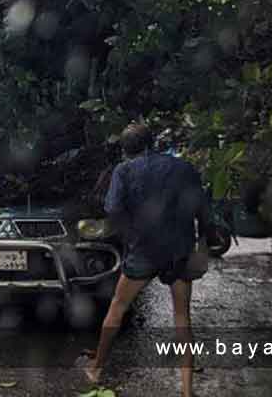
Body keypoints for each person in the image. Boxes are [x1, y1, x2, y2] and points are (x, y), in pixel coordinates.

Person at [83, 123, 209, 397]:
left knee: (117, 306)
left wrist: (131, 235)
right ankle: (187, 391)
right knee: (182, 318)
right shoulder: (183, 168)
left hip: (143, 251)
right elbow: (201, 208)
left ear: (127, 150)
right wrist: (204, 242)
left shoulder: (124, 170)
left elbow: (113, 208)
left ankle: (97, 368)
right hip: (179, 251)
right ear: (152, 143)